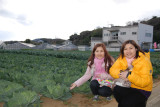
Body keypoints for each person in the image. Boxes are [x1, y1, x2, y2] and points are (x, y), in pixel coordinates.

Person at [110, 40, 153, 107]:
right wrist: (123, 73)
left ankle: (139, 103)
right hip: (128, 86)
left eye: (131, 48)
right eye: (125, 49)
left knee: (125, 104)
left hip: (142, 89)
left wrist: (128, 75)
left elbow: (145, 82)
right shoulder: (121, 58)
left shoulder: (144, 60)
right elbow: (112, 70)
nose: (128, 51)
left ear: (136, 49)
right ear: (123, 51)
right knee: (117, 89)